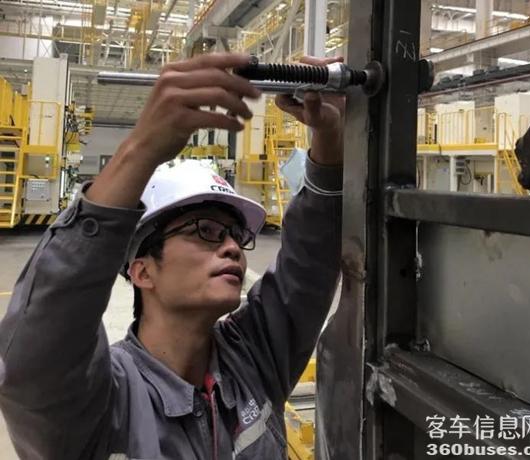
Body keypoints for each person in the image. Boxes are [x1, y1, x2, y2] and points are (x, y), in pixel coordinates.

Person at [0, 52, 344, 459]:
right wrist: (141, 149)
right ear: (142, 271)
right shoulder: (102, 403)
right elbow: (38, 346)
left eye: (235, 235)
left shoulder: (253, 359)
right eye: (206, 231)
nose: (233, 247)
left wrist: (330, 136)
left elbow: (309, 264)